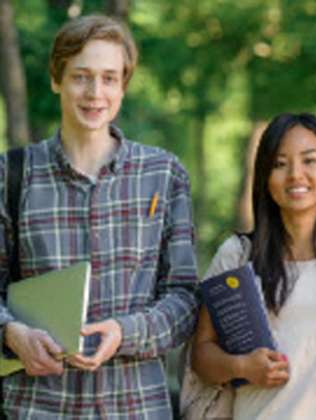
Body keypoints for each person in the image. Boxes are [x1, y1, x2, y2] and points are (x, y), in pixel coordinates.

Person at [0, 15, 199, 418]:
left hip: (136, 407)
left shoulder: (163, 174)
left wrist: (126, 333)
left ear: (123, 85)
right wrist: (12, 334)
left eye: (109, 78)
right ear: (57, 79)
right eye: (81, 77)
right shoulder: (11, 175)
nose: (95, 93)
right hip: (37, 408)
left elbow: (185, 299)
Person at [189, 113, 316, 419]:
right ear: (264, 178)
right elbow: (202, 356)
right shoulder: (237, 254)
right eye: (279, 164)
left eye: (309, 161)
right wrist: (242, 367)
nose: (295, 174)